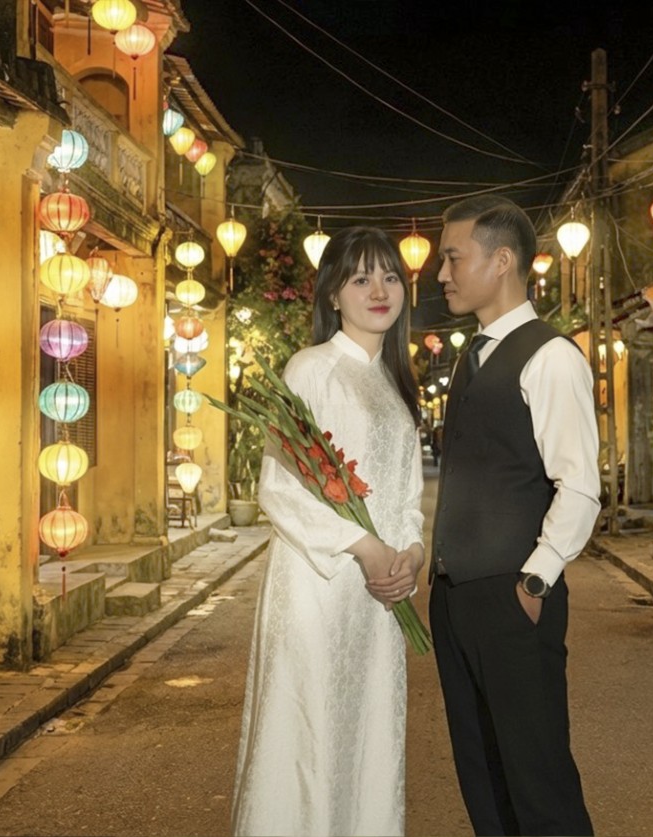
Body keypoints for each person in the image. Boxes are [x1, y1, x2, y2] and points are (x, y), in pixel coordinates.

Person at [231, 226, 427, 837]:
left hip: (380, 597)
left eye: (390, 277)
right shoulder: (311, 369)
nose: (379, 291)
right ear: (333, 295)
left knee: (367, 736)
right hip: (318, 586)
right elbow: (279, 487)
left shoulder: (394, 382)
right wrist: (364, 546)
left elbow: (407, 497)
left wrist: (412, 553)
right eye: (361, 278)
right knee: (307, 736)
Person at [430, 195, 600, 836]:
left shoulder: (550, 356)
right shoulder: (472, 355)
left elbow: (579, 486)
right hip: (455, 596)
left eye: (453, 258)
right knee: (483, 773)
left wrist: (535, 580)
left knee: (538, 778)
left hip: (514, 594)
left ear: (501, 261)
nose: (442, 274)